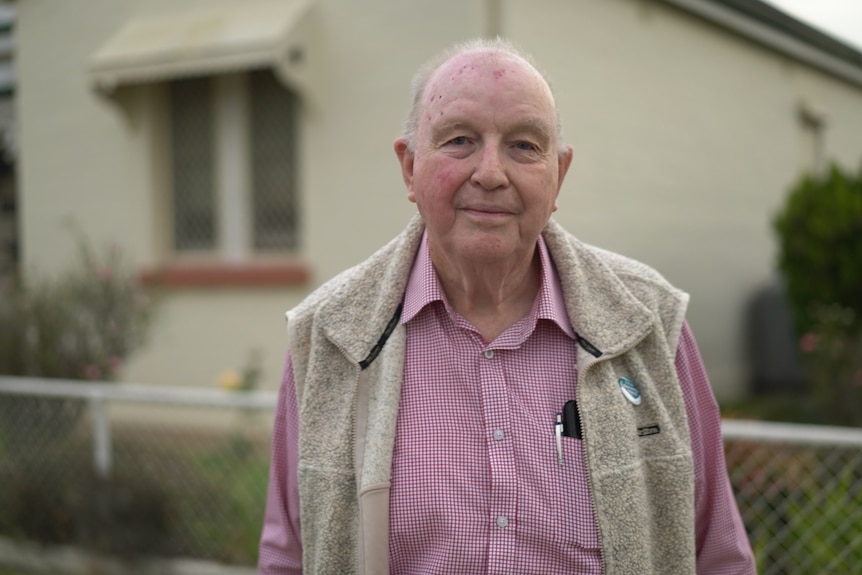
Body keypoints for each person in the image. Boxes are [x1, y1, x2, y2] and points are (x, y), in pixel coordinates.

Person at [258, 38, 756, 575]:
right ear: (409, 167)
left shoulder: (650, 324)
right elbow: (288, 558)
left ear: (558, 175)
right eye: (460, 140)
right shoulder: (328, 336)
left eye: (523, 145)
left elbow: (719, 558)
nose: (491, 172)